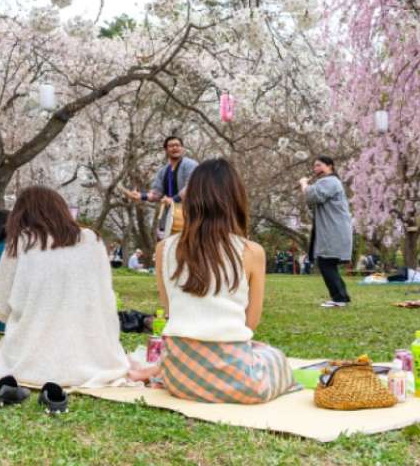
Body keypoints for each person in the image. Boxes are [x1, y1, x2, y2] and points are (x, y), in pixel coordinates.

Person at [136, 158, 296, 404]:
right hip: (243, 383)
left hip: (179, 375)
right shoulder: (251, 251)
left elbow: (170, 311)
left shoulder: (163, 249)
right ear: (236, 200)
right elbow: (250, 323)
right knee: (276, 357)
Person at [0, 186, 129, 387]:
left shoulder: (22, 241)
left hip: (32, 351)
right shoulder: (92, 240)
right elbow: (106, 299)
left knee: (5, 351)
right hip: (92, 349)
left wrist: (29, 320)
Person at [300, 156, 353, 308]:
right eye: (314, 166)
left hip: (333, 231)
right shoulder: (328, 182)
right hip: (332, 230)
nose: (315, 169)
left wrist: (304, 184)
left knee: (326, 262)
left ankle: (340, 299)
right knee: (327, 263)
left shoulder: (330, 181)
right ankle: (341, 297)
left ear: (330, 166)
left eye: (319, 165)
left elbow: (311, 196)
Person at [123, 136, 200, 237]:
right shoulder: (163, 171)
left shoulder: (191, 165)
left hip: (189, 213)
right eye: (171, 146)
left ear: (182, 148)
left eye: (177, 145)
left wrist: (173, 200)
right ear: (166, 150)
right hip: (170, 216)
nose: (175, 148)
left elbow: (191, 186)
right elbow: (157, 194)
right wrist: (141, 196)